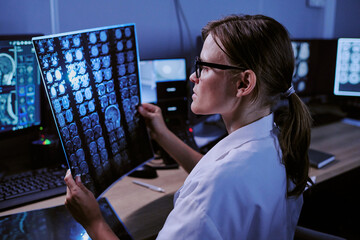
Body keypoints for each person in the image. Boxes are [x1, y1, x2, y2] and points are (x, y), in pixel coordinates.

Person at [64, 14, 313, 239]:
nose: (193, 77)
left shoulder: (216, 185)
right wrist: (163, 135)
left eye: (204, 67)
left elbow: (216, 182)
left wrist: (94, 221)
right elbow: (216, 173)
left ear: (243, 83)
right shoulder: (277, 140)